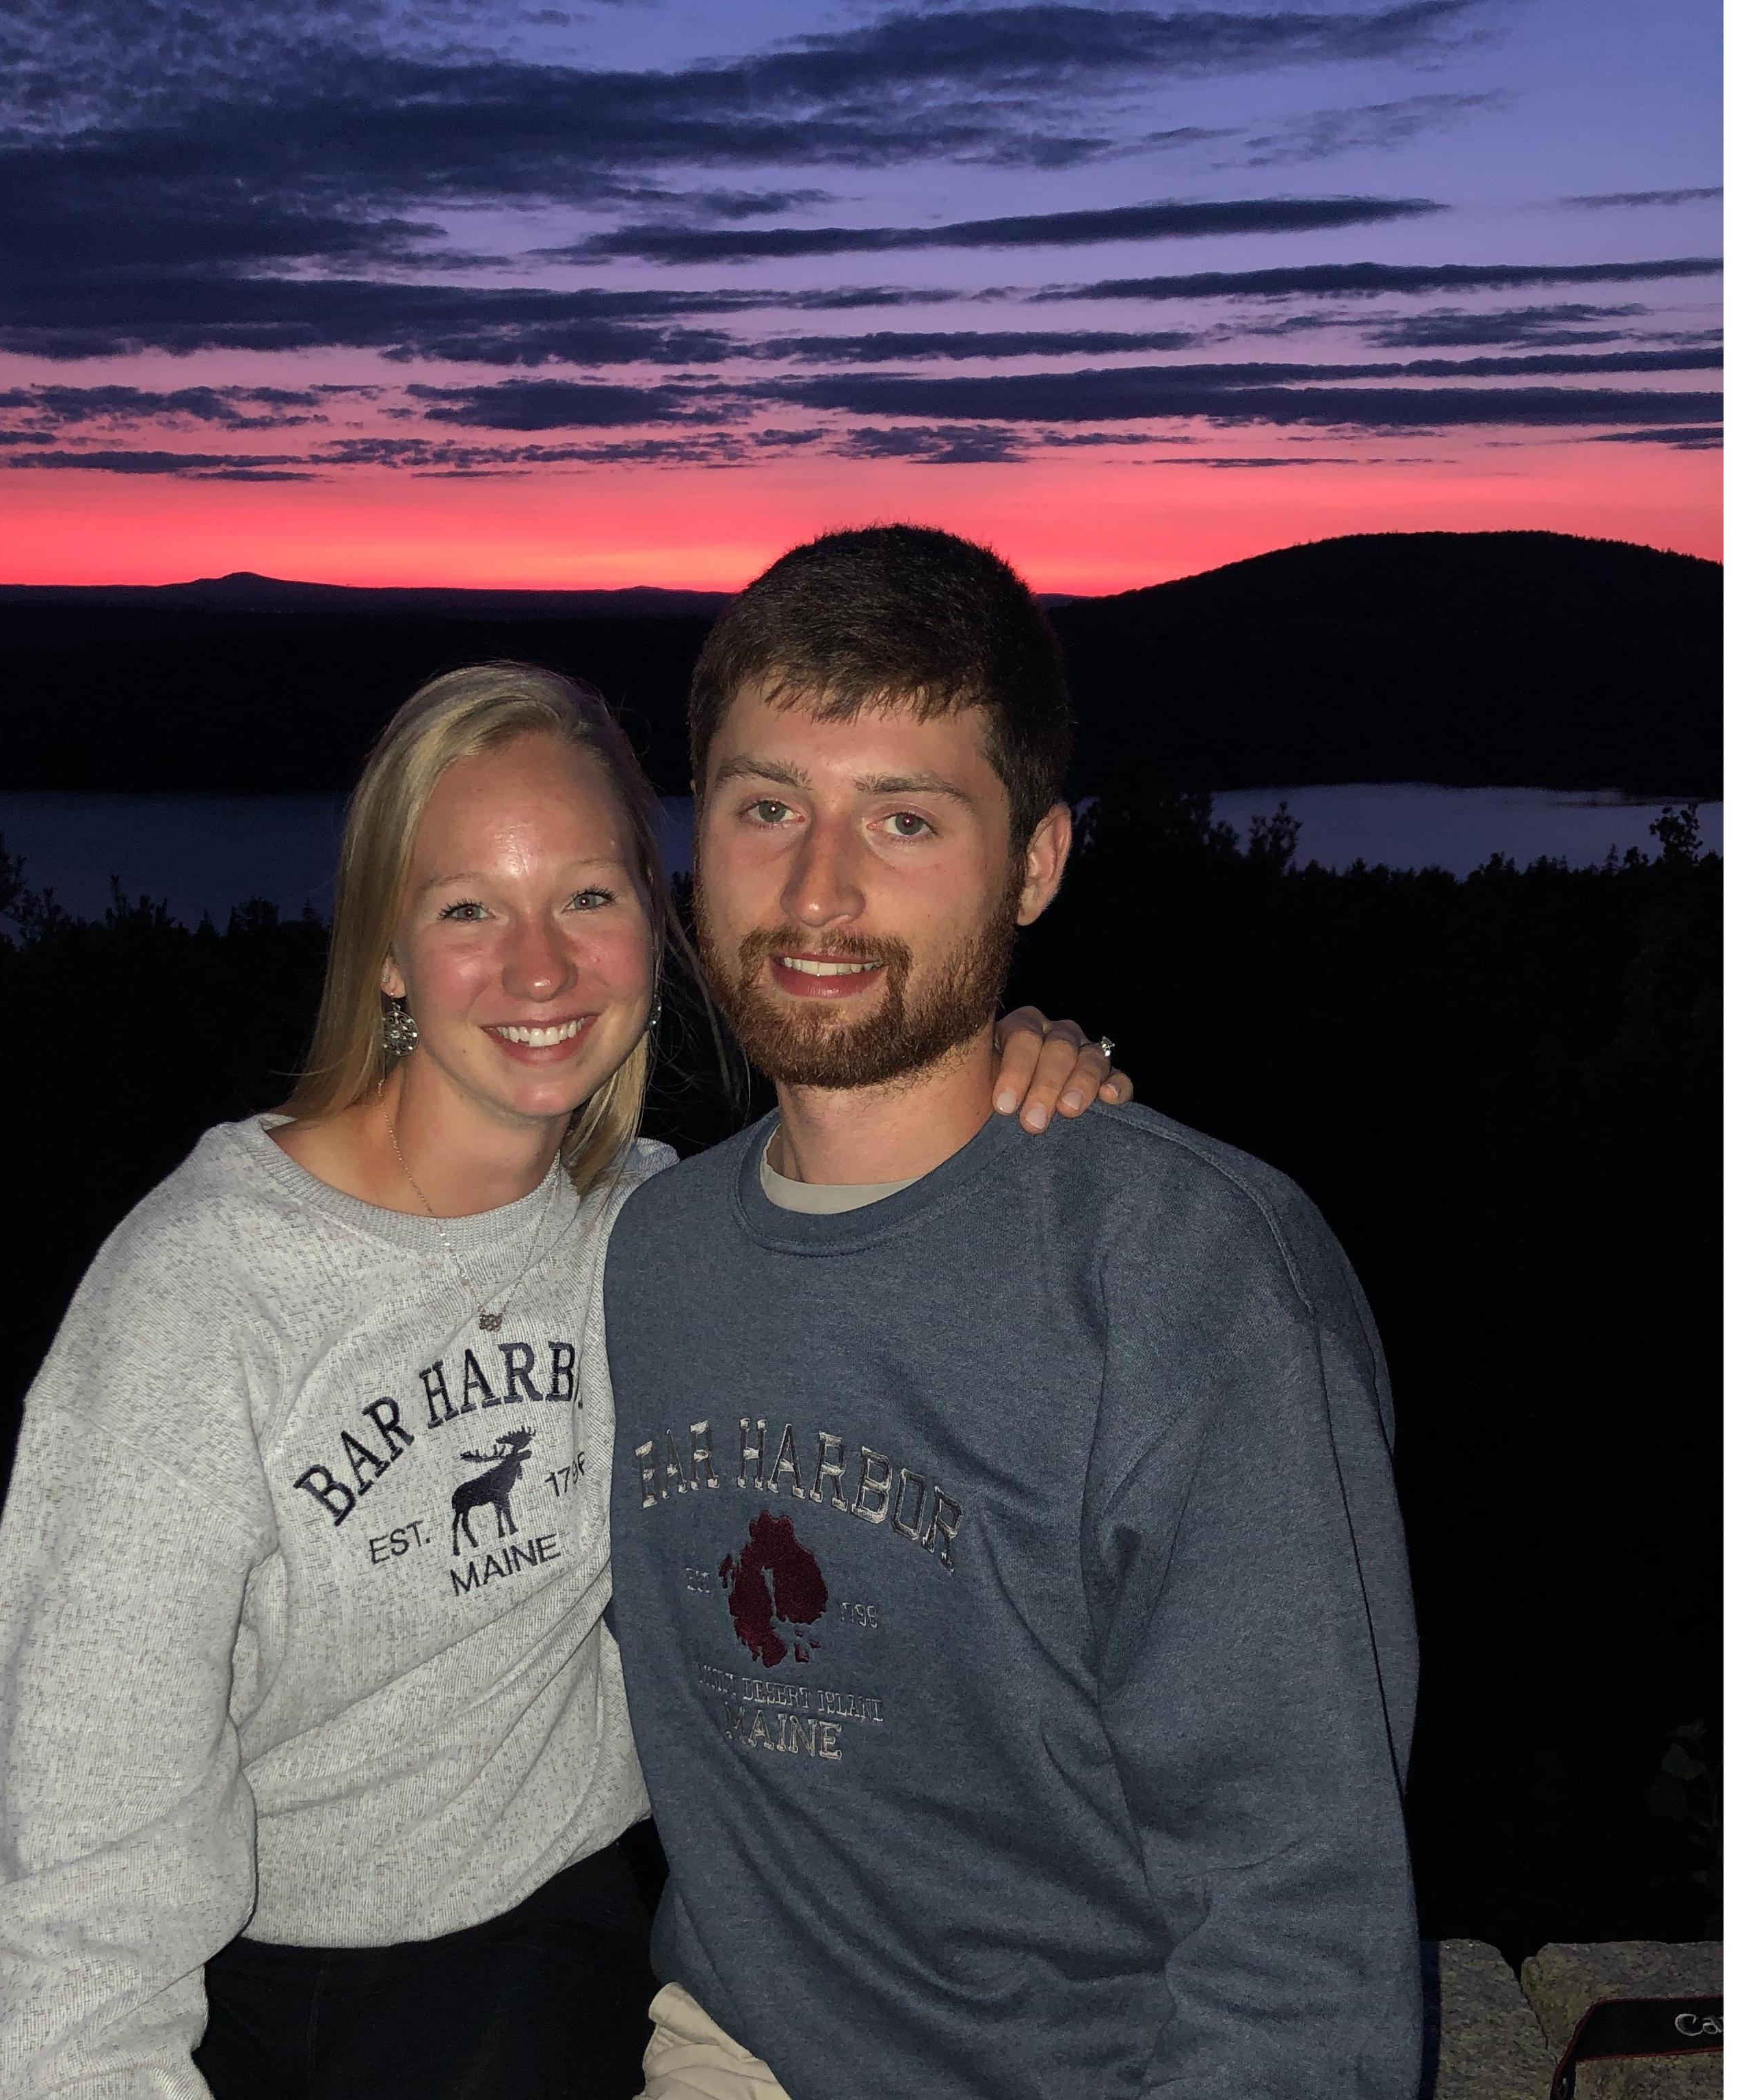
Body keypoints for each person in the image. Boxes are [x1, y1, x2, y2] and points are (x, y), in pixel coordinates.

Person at [0, 659, 1127, 2100]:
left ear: (657, 917)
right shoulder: (202, 1295)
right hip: (270, 1993)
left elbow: (865, 1228)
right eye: (467, 911)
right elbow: (76, 1838)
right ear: (386, 954)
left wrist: (995, 1058)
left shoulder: (656, 1234)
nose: (539, 971)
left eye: (587, 896)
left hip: (569, 1945)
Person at [604, 525, 1421, 2100]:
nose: (819, 890)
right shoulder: (653, 1252)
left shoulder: (1185, 1278)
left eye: (904, 820)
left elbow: (1301, 1916)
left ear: (1035, 864)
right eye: (769, 807)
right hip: (735, 2054)